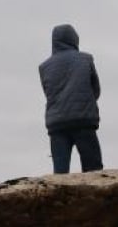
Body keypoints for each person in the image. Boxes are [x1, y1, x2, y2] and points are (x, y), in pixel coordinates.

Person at [39, 24, 103, 173]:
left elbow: (48, 92)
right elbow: (96, 90)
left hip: (57, 125)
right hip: (84, 120)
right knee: (93, 171)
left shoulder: (44, 67)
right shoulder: (86, 59)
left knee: (60, 174)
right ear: (74, 39)